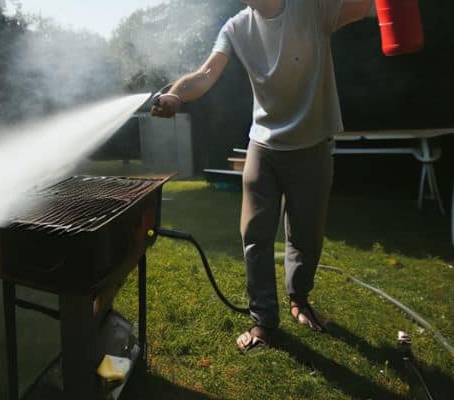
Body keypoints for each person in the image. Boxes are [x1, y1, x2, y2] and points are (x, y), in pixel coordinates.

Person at [151, 0, 373, 353]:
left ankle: (299, 298)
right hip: (263, 145)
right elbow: (206, 74)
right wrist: (176, 94)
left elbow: (361, 8)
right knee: (254, 235)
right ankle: (264, 322)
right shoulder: (236, 27)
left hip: (311, 144)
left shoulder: (312, 8)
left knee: (306, 234)